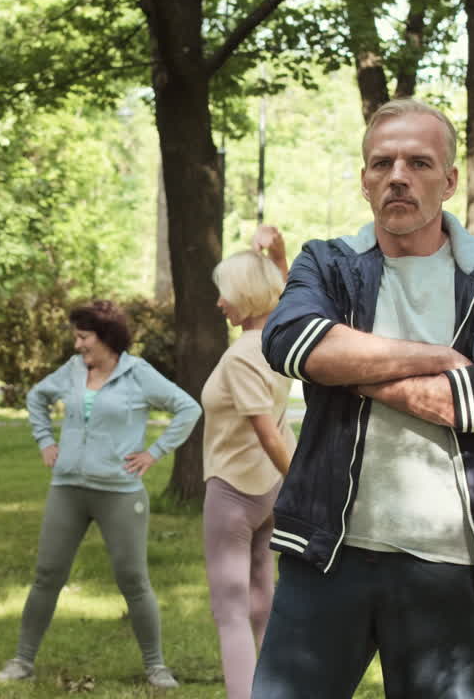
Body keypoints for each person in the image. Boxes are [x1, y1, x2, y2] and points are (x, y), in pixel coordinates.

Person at [252, 98, 474, 699]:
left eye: (418, 162)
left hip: (447, 559)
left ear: (449, 180)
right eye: (382, 163)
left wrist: (343, 367)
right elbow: (290, 342)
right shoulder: (329, 263)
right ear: (364, 180)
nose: (398, 176)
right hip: (326, 553)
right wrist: (440, 357)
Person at [0, 300, 201, 689]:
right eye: (77, 336)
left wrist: (154, 453)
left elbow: (187, 408)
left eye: (83, 337)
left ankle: (156, 667)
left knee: (133, 580)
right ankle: (22, 661)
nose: (77, 345)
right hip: (68, 488)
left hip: (119, 492)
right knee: (46, 576)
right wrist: (44, 440)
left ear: (105, 337)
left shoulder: (138, 374)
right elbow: (37, 397)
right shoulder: (73, 371)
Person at [201, 225, 296, 699]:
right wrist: (280, 255)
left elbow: (264, 430)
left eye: (226, 294)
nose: (220, 303)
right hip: (266, 494)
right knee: (262, 600)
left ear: (245, 295)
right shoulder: (278, 343)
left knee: (231, 608)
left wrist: (299, 486)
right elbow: (286, 294)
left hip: (233, 492)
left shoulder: (241, 355)